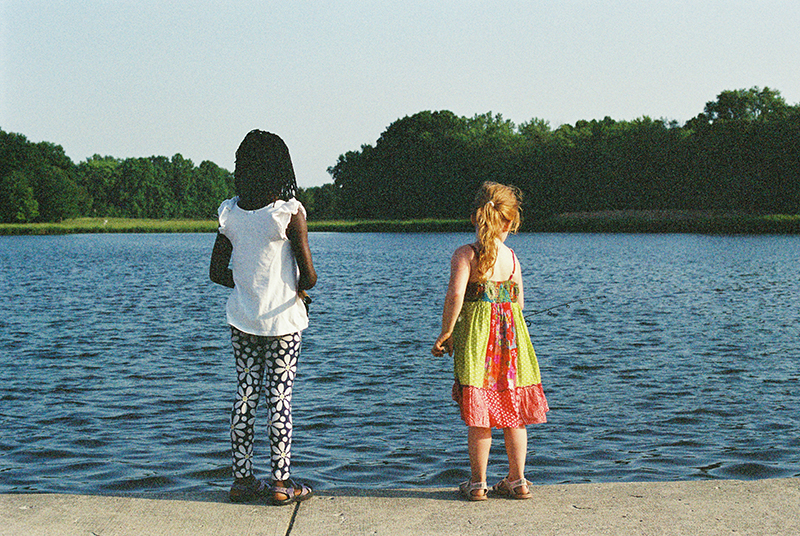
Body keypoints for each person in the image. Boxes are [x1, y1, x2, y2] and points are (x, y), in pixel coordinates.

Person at [209, 130, 317, 505]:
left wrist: (246, 287)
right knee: (280, 397)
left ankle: (241, 480)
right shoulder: (289, 213)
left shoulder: (231, 213)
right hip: (284, 321)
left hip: (242, 319)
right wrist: (296, 289)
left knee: (245, 393)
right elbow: (311, 276)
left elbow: (215, 271)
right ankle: (282, 483)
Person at [432, 181, 549, 501]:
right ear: (510, 222)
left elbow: (455, 295)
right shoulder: (511, 258)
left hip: (477, 345)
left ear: (475, 218)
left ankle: (478, 483)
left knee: (479, 414)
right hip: (512, 346)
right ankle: (518, 479)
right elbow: (520, 303)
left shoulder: (465, 254)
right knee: (514, 413)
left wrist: (446, 331)